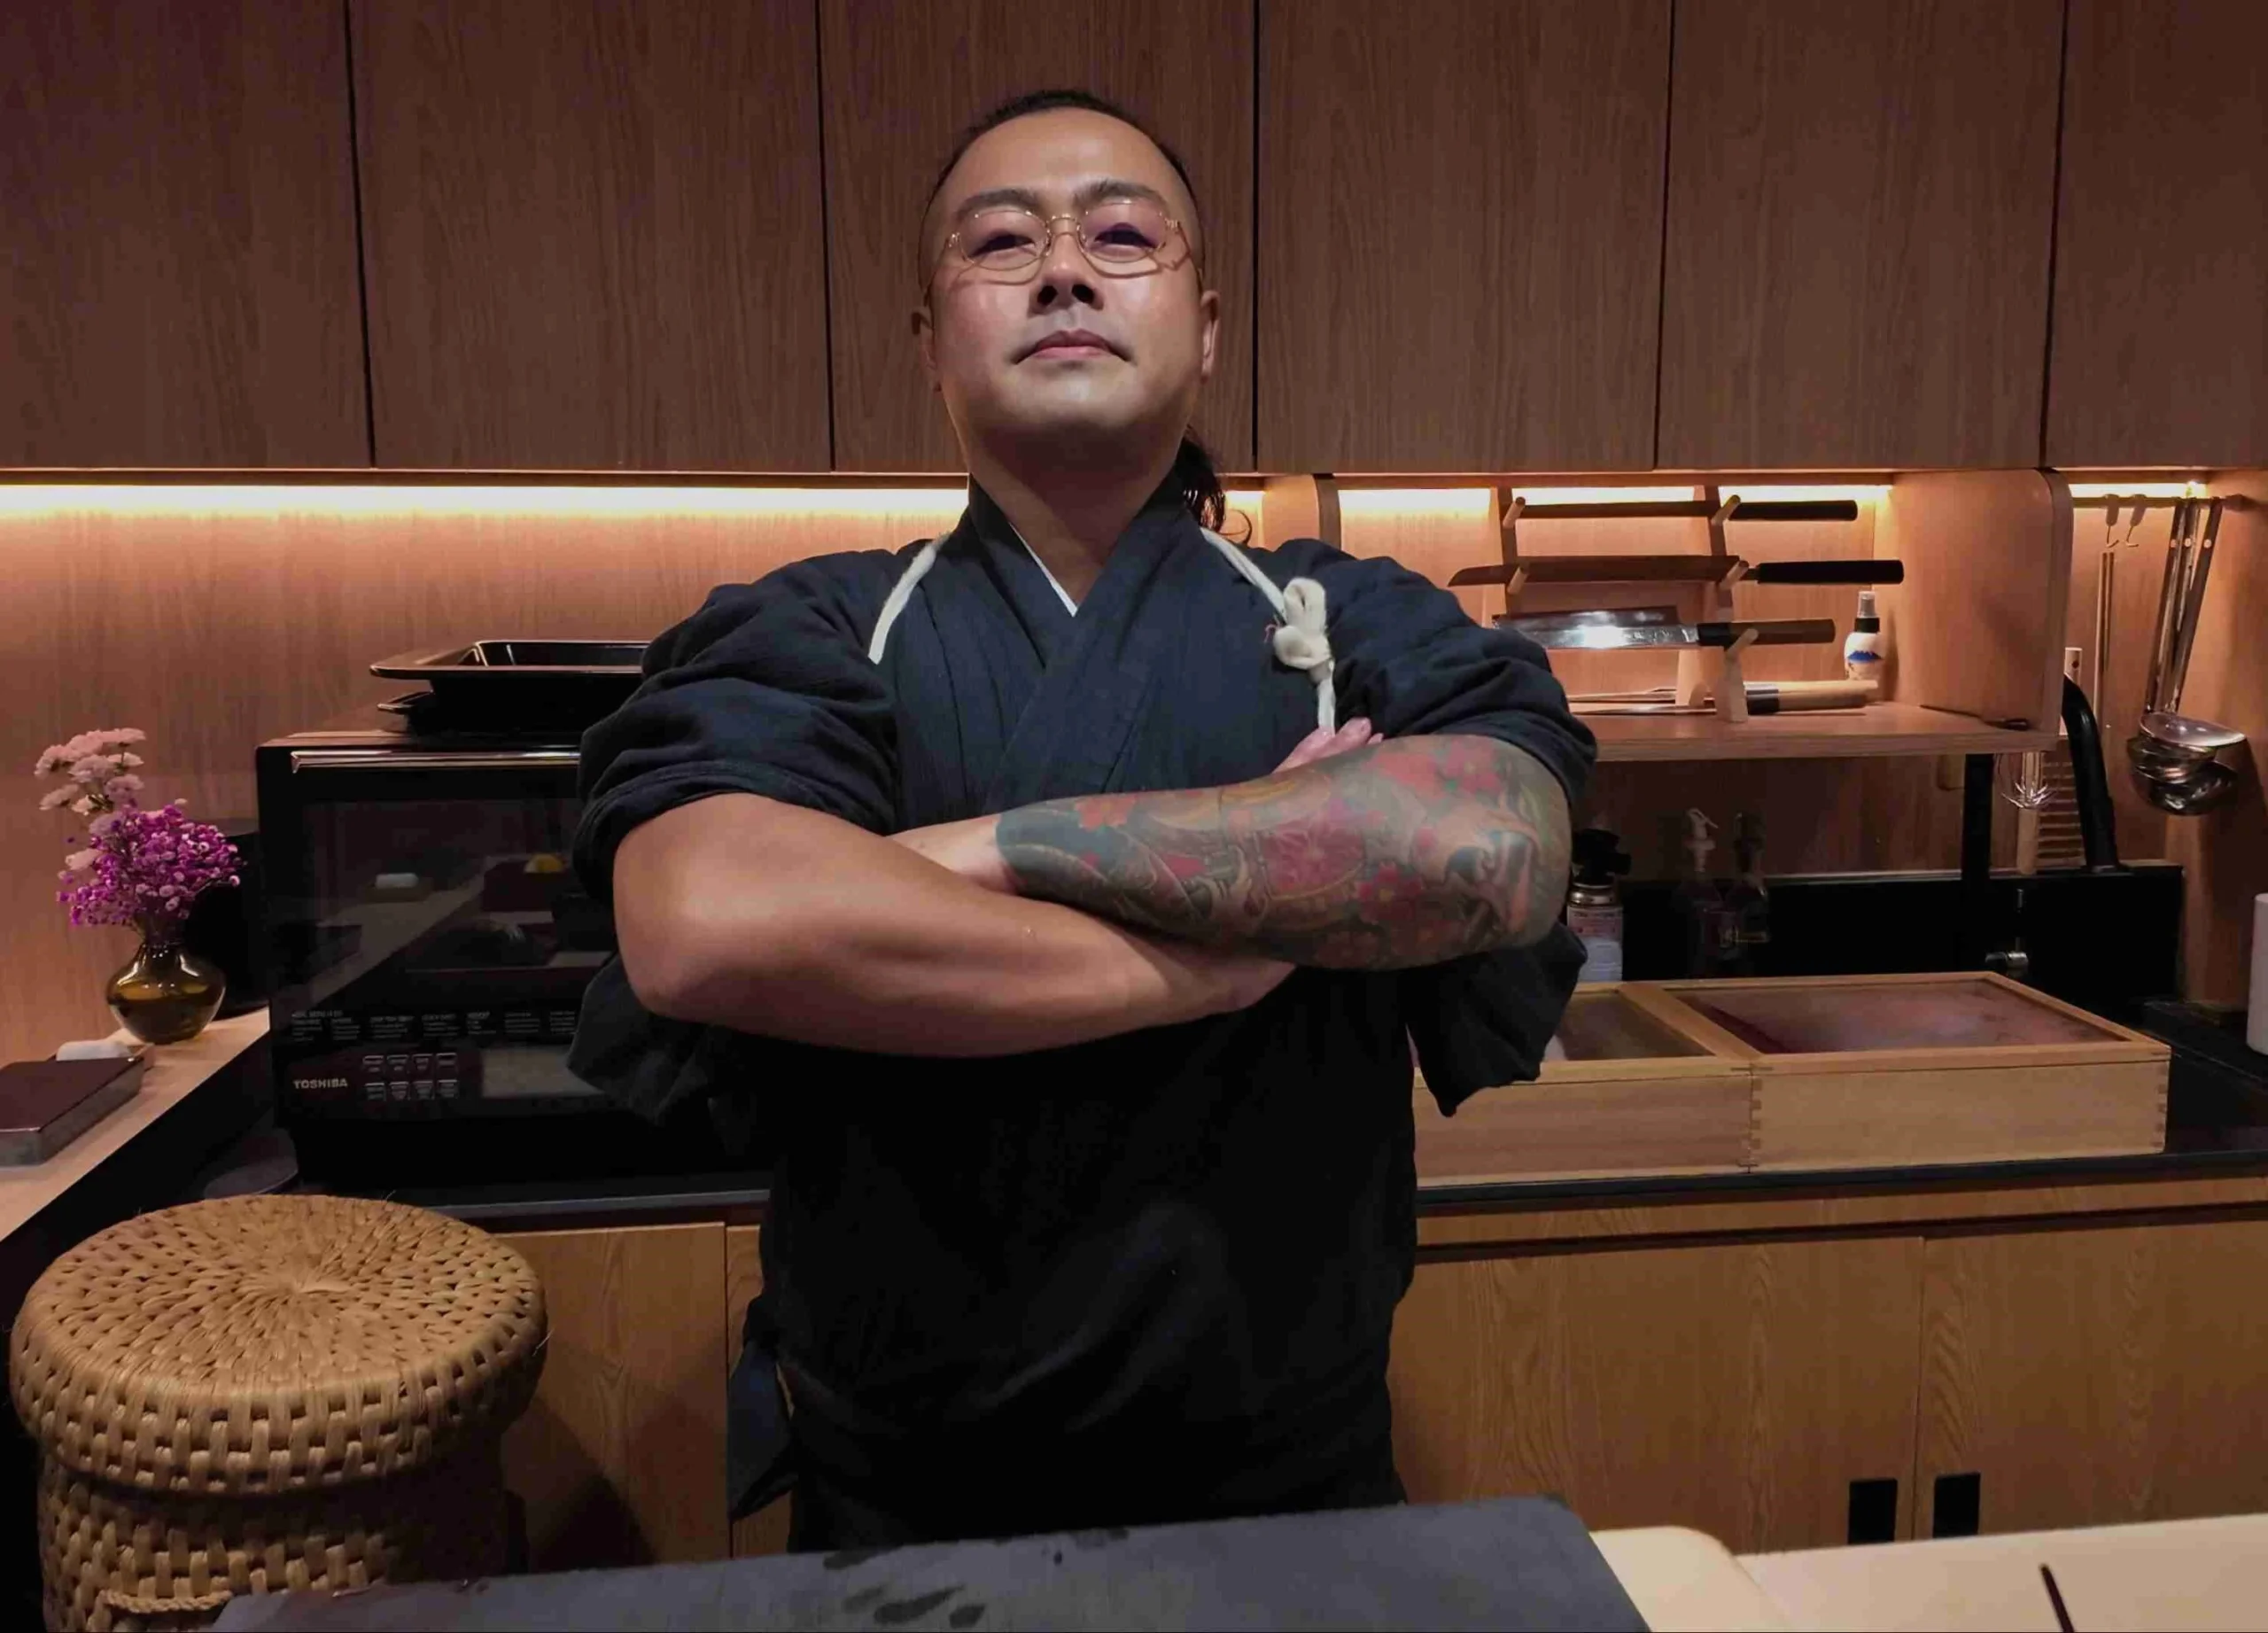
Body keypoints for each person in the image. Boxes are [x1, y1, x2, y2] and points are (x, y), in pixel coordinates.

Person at [568, 88, 1594, 1549]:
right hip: (902, 1515)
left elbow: (1493, 845)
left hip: (1297, 1494)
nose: (1063, 267)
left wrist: (968, 853)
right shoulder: (819, 627)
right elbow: (709, 920)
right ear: (929, 344)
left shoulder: (1342, 618)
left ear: (1209, 324)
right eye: (1001, 242)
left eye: (1120, 232)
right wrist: (1224, 953)